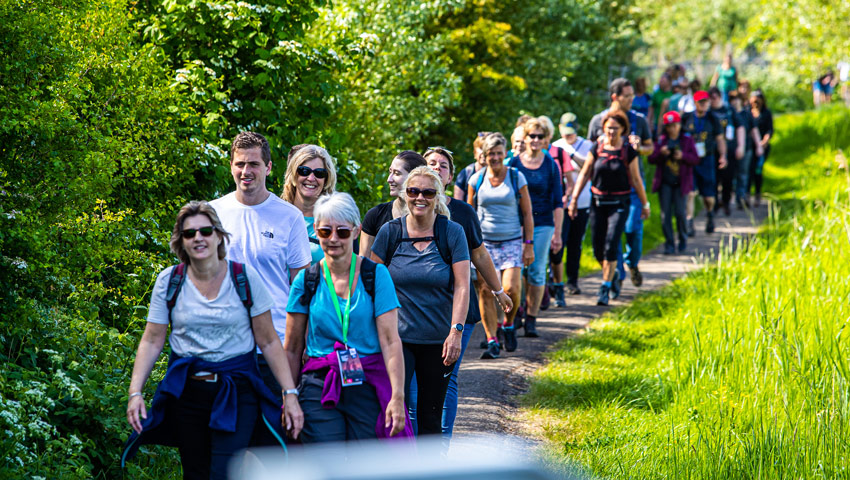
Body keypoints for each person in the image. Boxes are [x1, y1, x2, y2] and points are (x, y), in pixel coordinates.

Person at [123, 201, 303, 479]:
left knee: (224, 471)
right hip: (187, 393)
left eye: (205, 231)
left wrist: (289, 394)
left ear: (219, 235)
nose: (198, 238)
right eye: (189, 233)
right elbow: (152, 340)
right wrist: (136, 392)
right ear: (180, 241)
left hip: (236, 391)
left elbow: (268, 342)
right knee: (196, 472)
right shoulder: (169, 281)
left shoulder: (244, 278)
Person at [284, 193, 411, 442]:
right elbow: (292, 347)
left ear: (356, 231)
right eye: (324, 231)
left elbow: (390, 341)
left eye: (342, 232)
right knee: (324, 460)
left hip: (367, 381)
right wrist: (289, 395)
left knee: (365, 464)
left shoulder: (376, 275)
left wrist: (397, 396)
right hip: (319, 383)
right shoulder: (306, 280)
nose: (333, 239)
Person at [370, 166, 470, 437]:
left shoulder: (451, 232)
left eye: (428, 192)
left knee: (430, 416)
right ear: (405, 195)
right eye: (413, 191)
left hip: (438, 341)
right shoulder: (391, 232)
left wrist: (456, 332)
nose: (420, 198)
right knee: (394, 407)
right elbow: (369, 281)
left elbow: (462, 285)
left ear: (438, 196)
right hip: (396, 340)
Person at [209, 132, 311, 394]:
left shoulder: (290, 217)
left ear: (267, 167)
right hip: (223, 345)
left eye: (253, 164)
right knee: (227, 429)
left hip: (274, 345)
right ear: (231, 166)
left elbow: (302, 290)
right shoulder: (212, 214)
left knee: (272, 431)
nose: (246, 171)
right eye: (240, 164)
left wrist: (300, 348)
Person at [423, 146, 512, 437]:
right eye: (431, 163)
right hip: (418, 309)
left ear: (450, 176)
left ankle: (442, 447)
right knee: (416, 381)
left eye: (443, 166)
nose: (437, 168)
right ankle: (415, 448)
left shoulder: (462, 212)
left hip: (457, 307)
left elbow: (480, 255)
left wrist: (498, 291)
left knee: (447, 377)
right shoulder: (404, 210)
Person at [568, 108, 650, 306]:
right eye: (608, 128)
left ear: (623, 129)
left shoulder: (628, 151)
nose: (611, 132)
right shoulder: (597, 147)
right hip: (598, 203)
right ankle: (612, 276)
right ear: (603, 128)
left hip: (620, 204)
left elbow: (637, 180)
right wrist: (574, 199)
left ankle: (605, 287)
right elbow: (585, 173)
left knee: (611, 243)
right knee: (597, 248)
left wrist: (645, 204)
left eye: (615, 128)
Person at [467, 133, 534, 359]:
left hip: (513, 240)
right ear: (484, 156)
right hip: (484, 244)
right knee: (485, 289)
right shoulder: (476, 180)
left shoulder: (516, 177)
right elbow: (469, 215)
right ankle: (492, 339)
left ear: (505, 154)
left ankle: (508, 323)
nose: (494, 157)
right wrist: (467, 245)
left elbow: (527, 213)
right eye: (490, 154)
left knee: (511, 289)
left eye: (498, 153)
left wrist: (529, 244)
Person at [588, 78, 654, 290]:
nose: (632, 99)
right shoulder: (598, 121)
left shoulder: (639, 120)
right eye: (627, 95)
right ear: (615, 97)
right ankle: (616, 275)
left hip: (633, 185)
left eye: (632, 95)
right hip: (605, 189)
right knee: (611, 235)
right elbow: (591, 153)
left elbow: (650, 147)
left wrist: (639, 149)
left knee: (632, 229)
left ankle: (632, 262)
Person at [507, 118, 563, 336]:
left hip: (543, 224)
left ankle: (532, 319)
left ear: (546, 139)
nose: (536, 140)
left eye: (540, 136)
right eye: (532, 136)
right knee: (517, 269)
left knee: (538, 271)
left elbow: (558, 202)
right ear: (526, 137)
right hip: (517, 223)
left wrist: (557, 233)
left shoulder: (550, 165)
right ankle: (518, 312)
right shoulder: (513, 163)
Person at [551, 113, 593, 296]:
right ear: (559, 128)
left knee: (575, 244)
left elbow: (590, 168)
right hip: (561, 205)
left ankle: (573, 281)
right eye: (565, 131)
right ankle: (555, 281)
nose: (568, 135)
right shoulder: (555, 147)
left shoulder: (587, 146)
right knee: (558, 243)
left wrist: (571, 157)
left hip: (583, 203)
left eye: (572, 131)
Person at [648, 112, 701, 254]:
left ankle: (682, 239)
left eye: (675, 125)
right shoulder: (661, 140)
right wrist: (661, 153)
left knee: (680, 213)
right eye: (669, 126)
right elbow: (651, 158)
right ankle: (669, 244)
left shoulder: (687, 140)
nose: (673, 129)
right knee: (665, 216)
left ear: (679, 125)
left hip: (681, 184)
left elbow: (696, 159)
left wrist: (683, 156)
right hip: (665, 183)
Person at [359, 151, 427, 259]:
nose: (389, 179)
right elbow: (364, 265)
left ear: (415, 177)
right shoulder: (375, 215)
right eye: (390, 172)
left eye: (397, 173)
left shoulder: (435, 218)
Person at [281, 144, 338, 265]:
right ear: (294, 175)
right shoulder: (276, 217)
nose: (311, 178)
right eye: (304, 171)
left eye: (319, 173)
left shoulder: (336, 223)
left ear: (326, 179)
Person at [681, 90, 727, 235]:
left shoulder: (713, 118)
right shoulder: (687, 118)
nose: (704, 105)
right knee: (690, 192)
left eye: (706, 102)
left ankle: (710, 214)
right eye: (701, 102)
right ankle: (689, 223)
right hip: (689, 160)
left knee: (708, 196)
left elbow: (720, 138)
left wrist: (723, 156)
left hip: (707, 159)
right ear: (695, 103)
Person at [708, 87, 741, 216]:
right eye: (711, 98)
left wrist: (741, 146)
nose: (713, 100)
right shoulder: (708, 112)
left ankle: (726, 202)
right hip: (712, 150)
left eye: (715, 97)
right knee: (714, 179)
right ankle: (715, 203)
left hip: (730, 148)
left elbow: (740, 126)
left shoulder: (729, 110)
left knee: (728, 178)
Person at [729, 90, 763, 209]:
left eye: (737, 99)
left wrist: (759, 145)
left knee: (743, 174)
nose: (735, 102)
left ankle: (741, 198)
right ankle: (729, 198)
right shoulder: (728, 114)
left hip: (747, 148)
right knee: (731, 175)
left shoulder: (746, 114)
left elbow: (754, 130)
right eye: (732, 99)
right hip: (730, 149)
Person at [748, 90, 773, 207]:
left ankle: (757, 194)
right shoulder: (748, 112)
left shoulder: (766, 113)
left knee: (758, 171)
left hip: (762, 148)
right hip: (749, 146)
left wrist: (764, 141)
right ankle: (747, 194)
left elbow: (770, 129)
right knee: (748, 171)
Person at [453, 133, 490, 202]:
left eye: (487, 149)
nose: (483, 153)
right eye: (481, 148)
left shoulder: (499, 174)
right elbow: (457, 204)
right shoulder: (465, 173)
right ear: (474, 152)